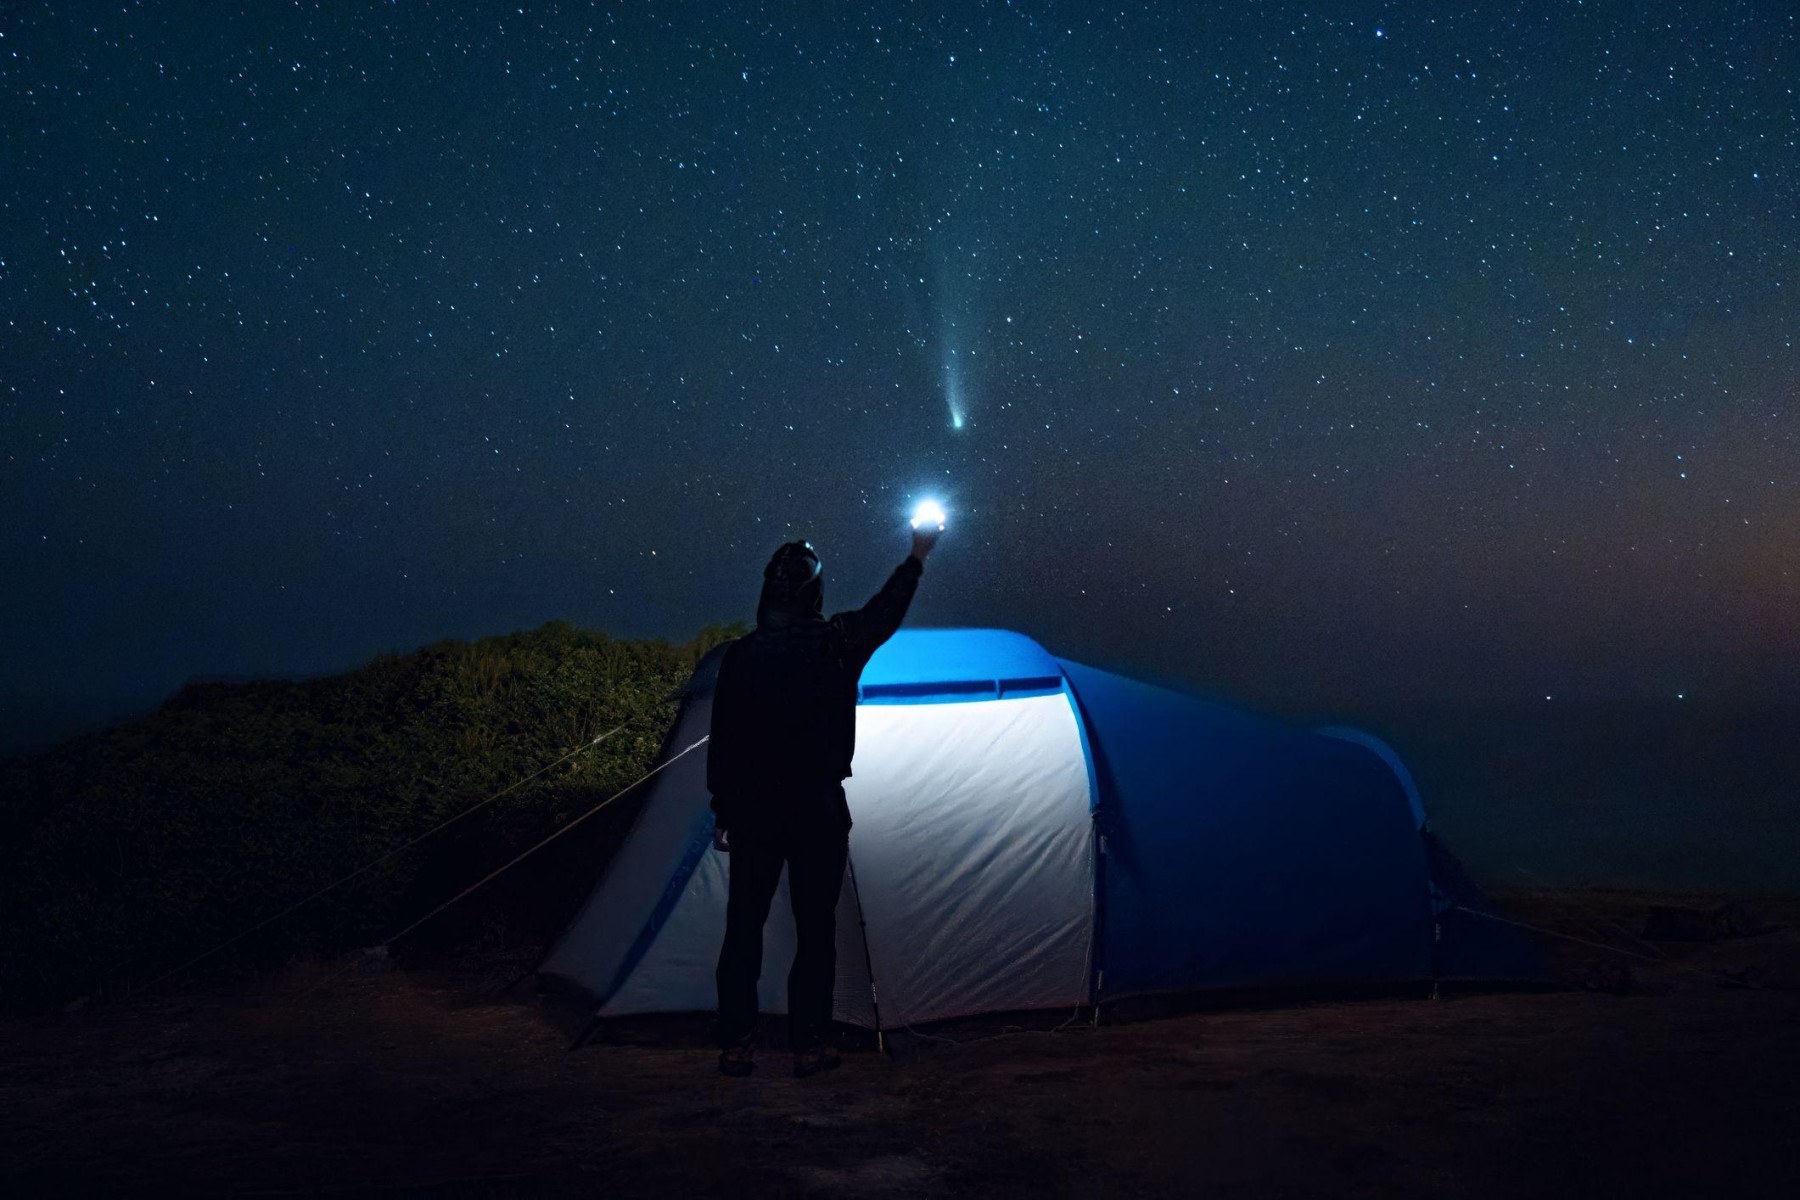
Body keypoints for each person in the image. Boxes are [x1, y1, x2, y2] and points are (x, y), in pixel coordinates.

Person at [707, 520, 941, 1078]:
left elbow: (727, 739)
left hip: (755, 811)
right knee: (815, 931)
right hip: (817, 808)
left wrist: (724, 811)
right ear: (815, 590)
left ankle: (737, 1042)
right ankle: (808, 1044)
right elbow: (886, 611)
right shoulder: (837, 642)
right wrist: (916, 556)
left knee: (744, 926)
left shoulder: (742, 656)